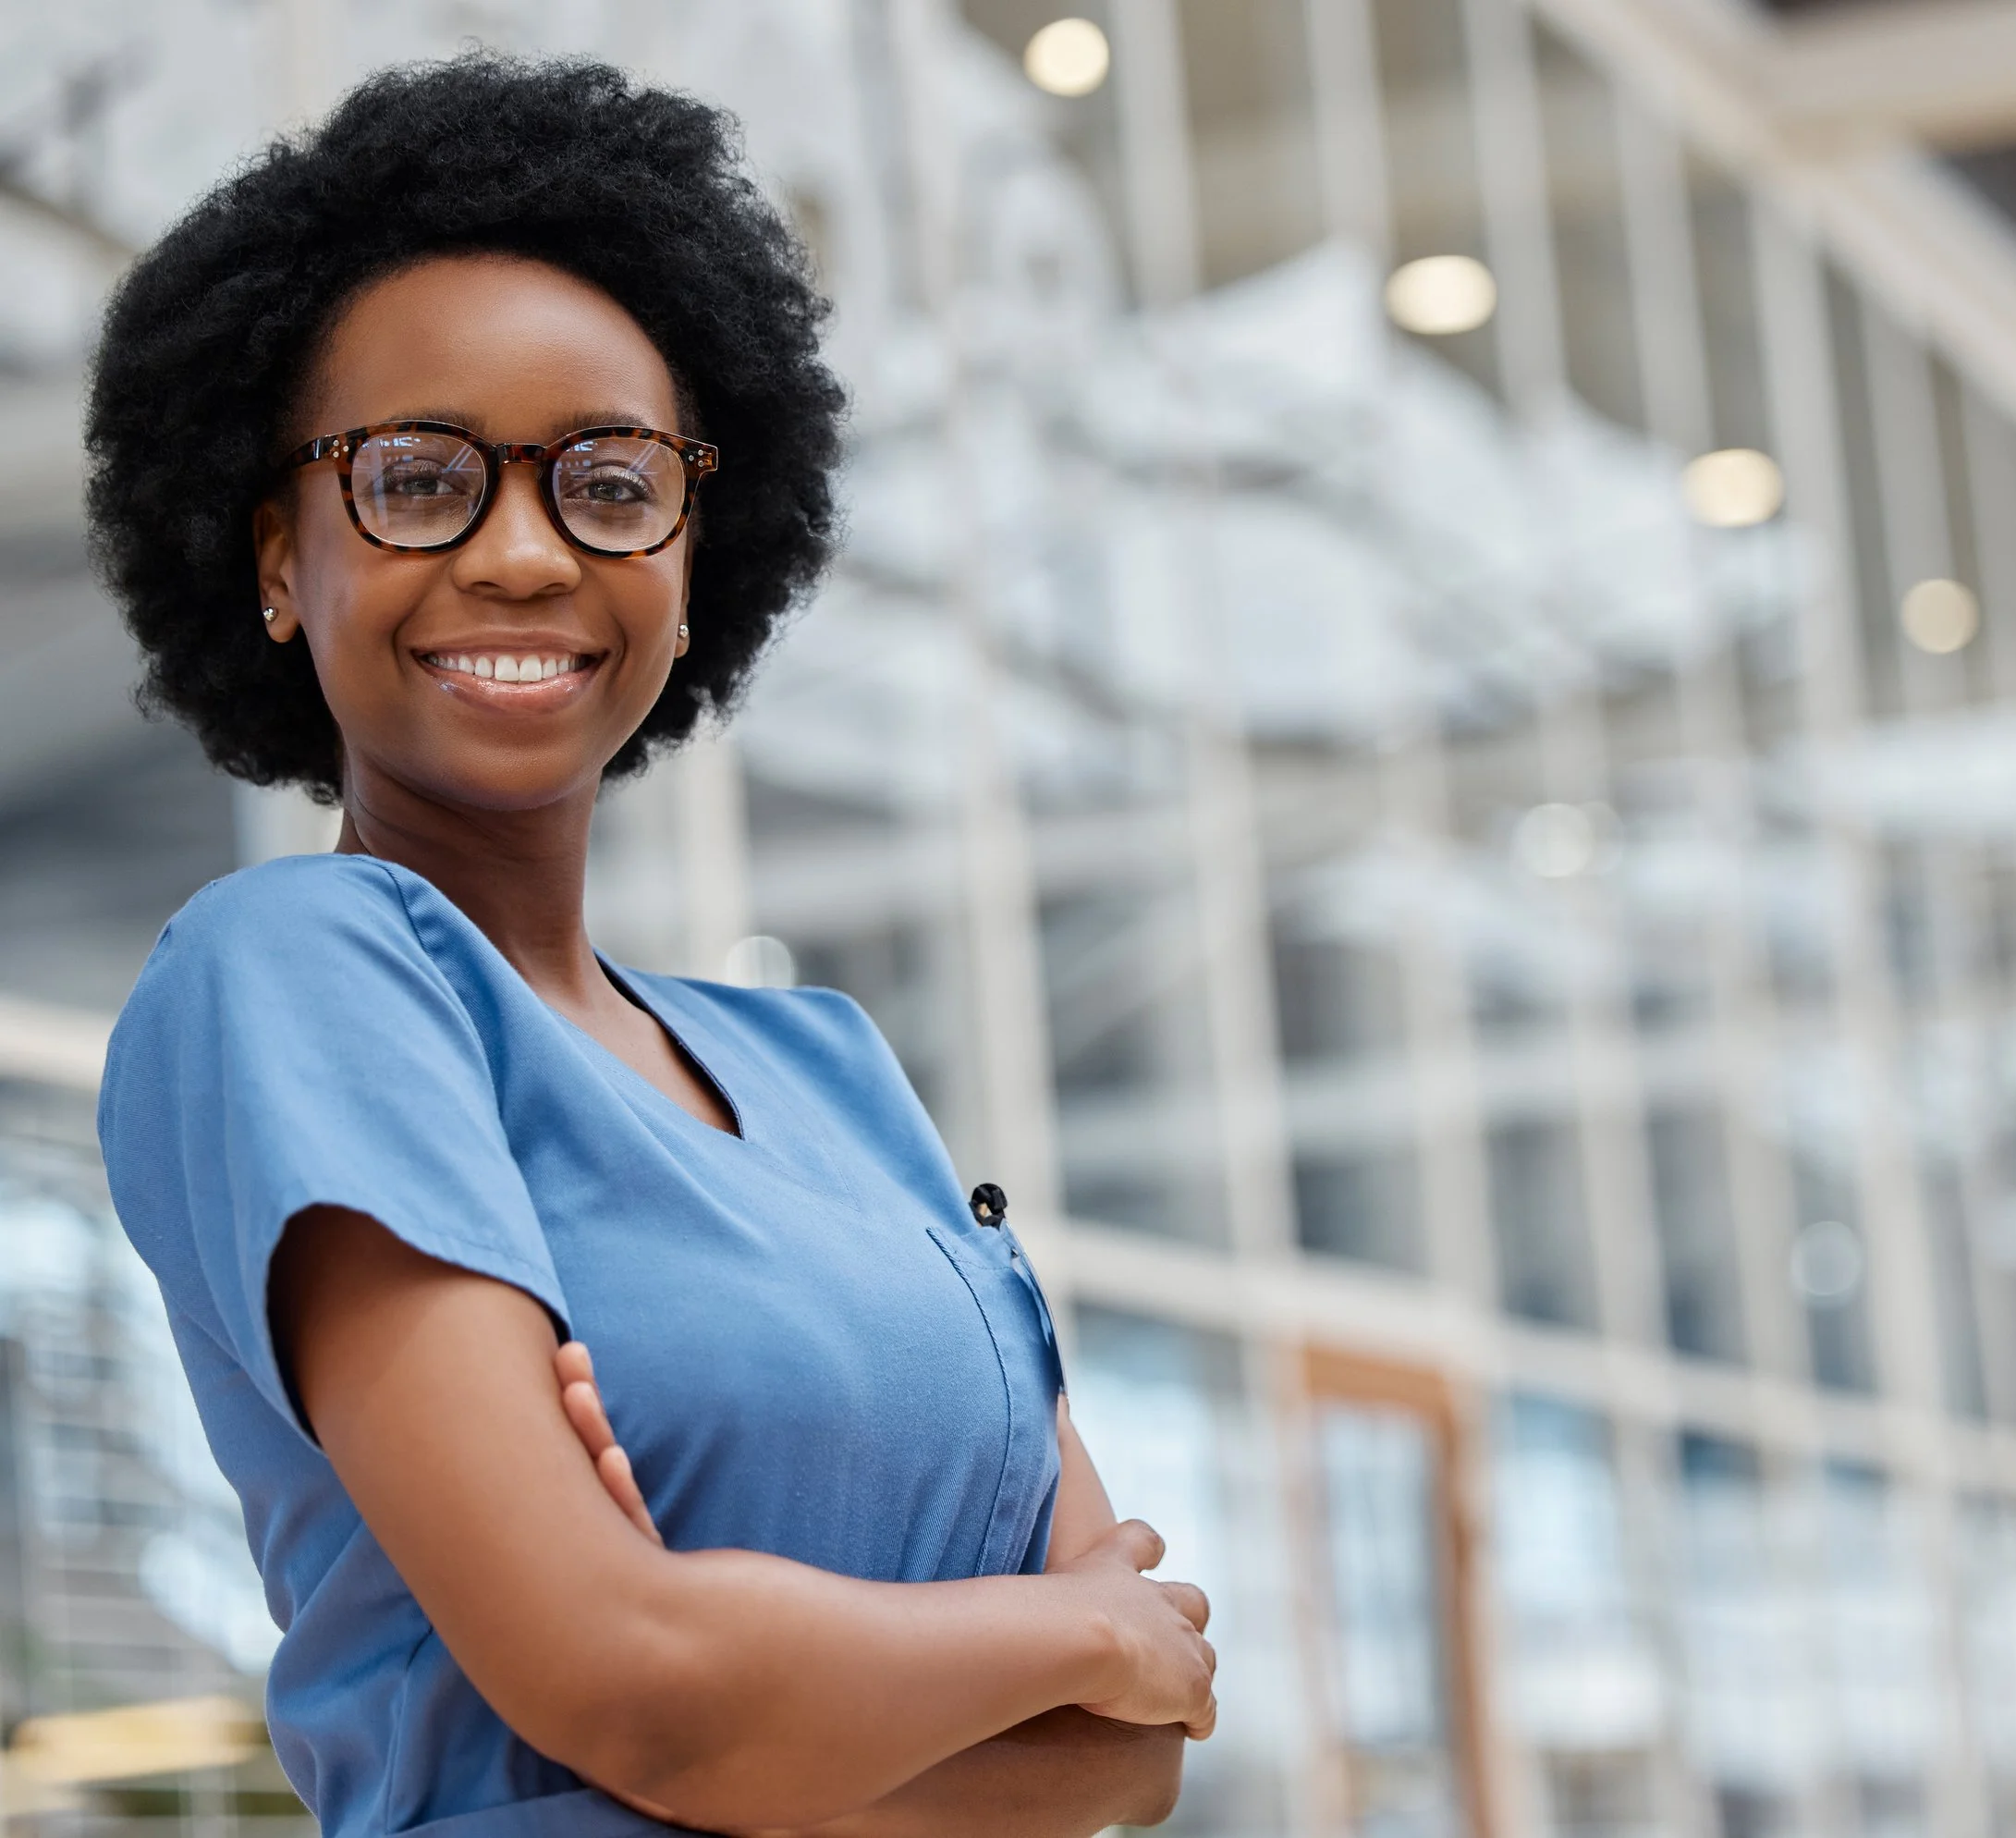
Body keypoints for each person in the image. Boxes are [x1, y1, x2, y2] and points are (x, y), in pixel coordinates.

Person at [88, 54, 1216, 1838]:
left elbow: (1135, 1750)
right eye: (417, 478)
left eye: (609, 485)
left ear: (696, 557)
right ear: (279, 558)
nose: (525, 553)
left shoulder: (831, 1071)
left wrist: (780, 1686)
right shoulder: (296, 973)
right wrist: (1052, 1633)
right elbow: (641, 1688)